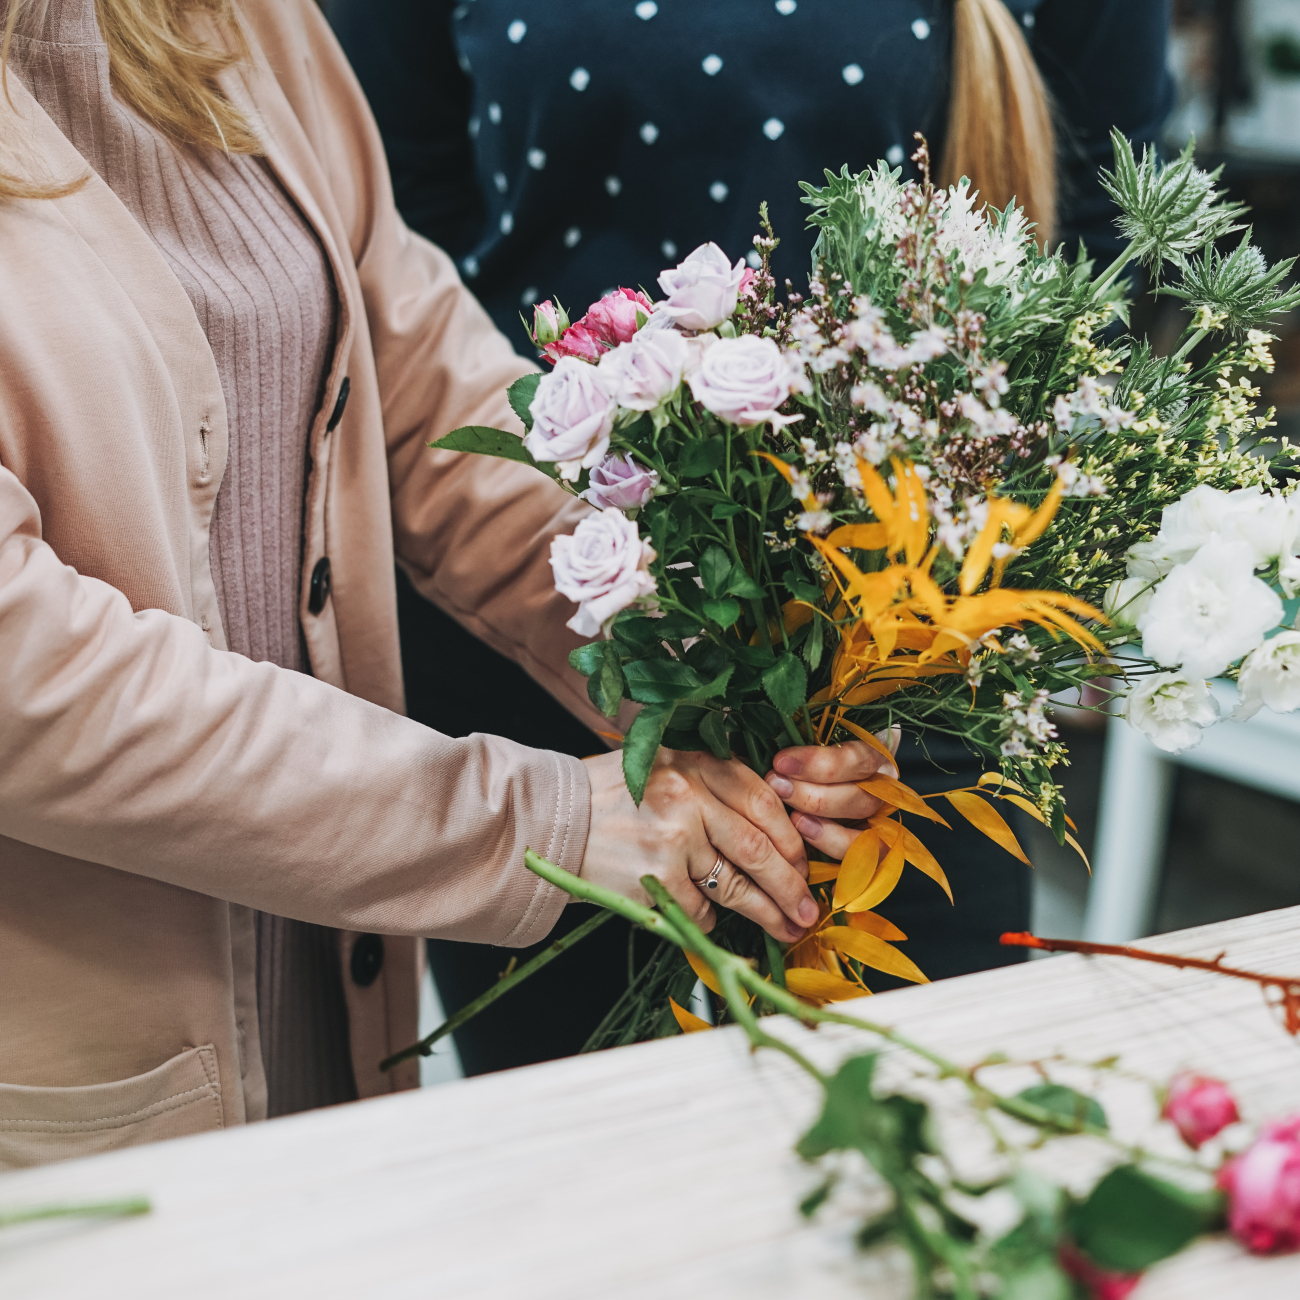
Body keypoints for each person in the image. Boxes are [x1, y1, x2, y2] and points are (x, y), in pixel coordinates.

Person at [0, 0, 880, 1169]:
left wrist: (710, 661)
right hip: (78, 1091)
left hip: (323, 1000)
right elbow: (38, 679)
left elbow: (426, 396)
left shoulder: (238, 21)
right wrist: (540, 820)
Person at [326, 0, 1175, 1072]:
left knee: (918, 1110)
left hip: (893, 682)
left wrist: (921, 563)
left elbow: (1099, 243)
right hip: (551, 633)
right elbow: (399, 257)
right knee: (579, 1137)